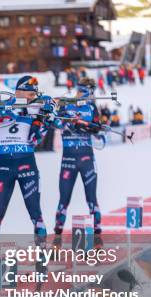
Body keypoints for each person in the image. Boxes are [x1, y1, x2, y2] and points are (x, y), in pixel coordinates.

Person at [0, 75, 51, 281]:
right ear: (18, 91)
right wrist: (0, 110)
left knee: (36, 214)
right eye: (30, 93)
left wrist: (44, 115)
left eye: (35, 93)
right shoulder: (1, 102)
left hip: (27, 165)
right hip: (3, 167)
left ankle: (42, 265)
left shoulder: (36, 108)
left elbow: (36, 139)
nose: (34, 96)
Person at [53, 77, 103, 247]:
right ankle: (57, 238)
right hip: (68, 159)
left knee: (92, 199)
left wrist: (81, 125)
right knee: (64, 200)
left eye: (89, 93)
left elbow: (97, 128)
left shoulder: (91, 107)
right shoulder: (66, 104)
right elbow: (56, 123)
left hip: (87, 158)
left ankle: (97, 237)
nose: (86, 95)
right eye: (83, 91)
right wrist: (67, 121)